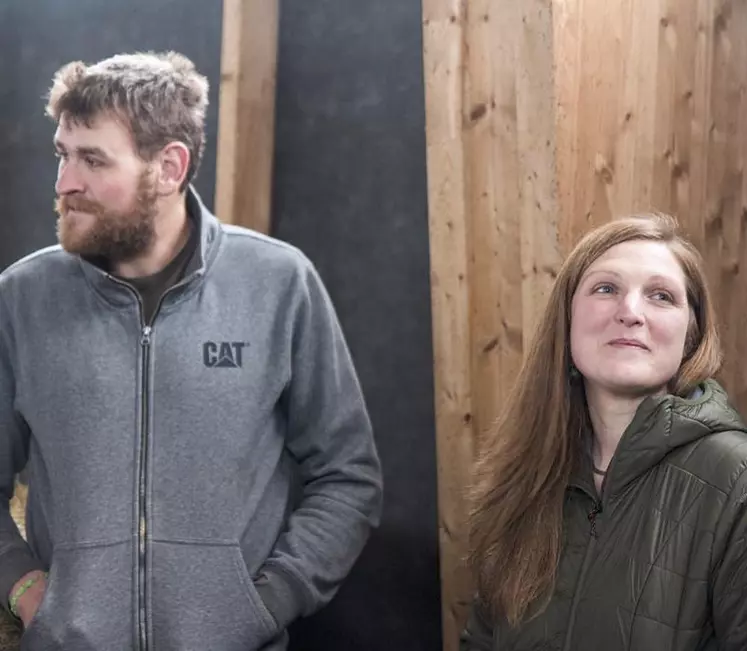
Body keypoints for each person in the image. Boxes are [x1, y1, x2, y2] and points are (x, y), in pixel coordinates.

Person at [0, 51, 383, 650]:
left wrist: (266, 603)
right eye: (62, 155)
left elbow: (349, 476)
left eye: (93, 159)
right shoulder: (21, 298)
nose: (65, 183)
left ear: (170, 166)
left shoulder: (279, 283)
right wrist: (25, 591)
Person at [460, 214, 747, 650]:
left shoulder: (734, 478)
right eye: (606, 288)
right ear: (568, 319)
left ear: (691, 334)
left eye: (661, 296)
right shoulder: (526, 475)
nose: (630, 312)